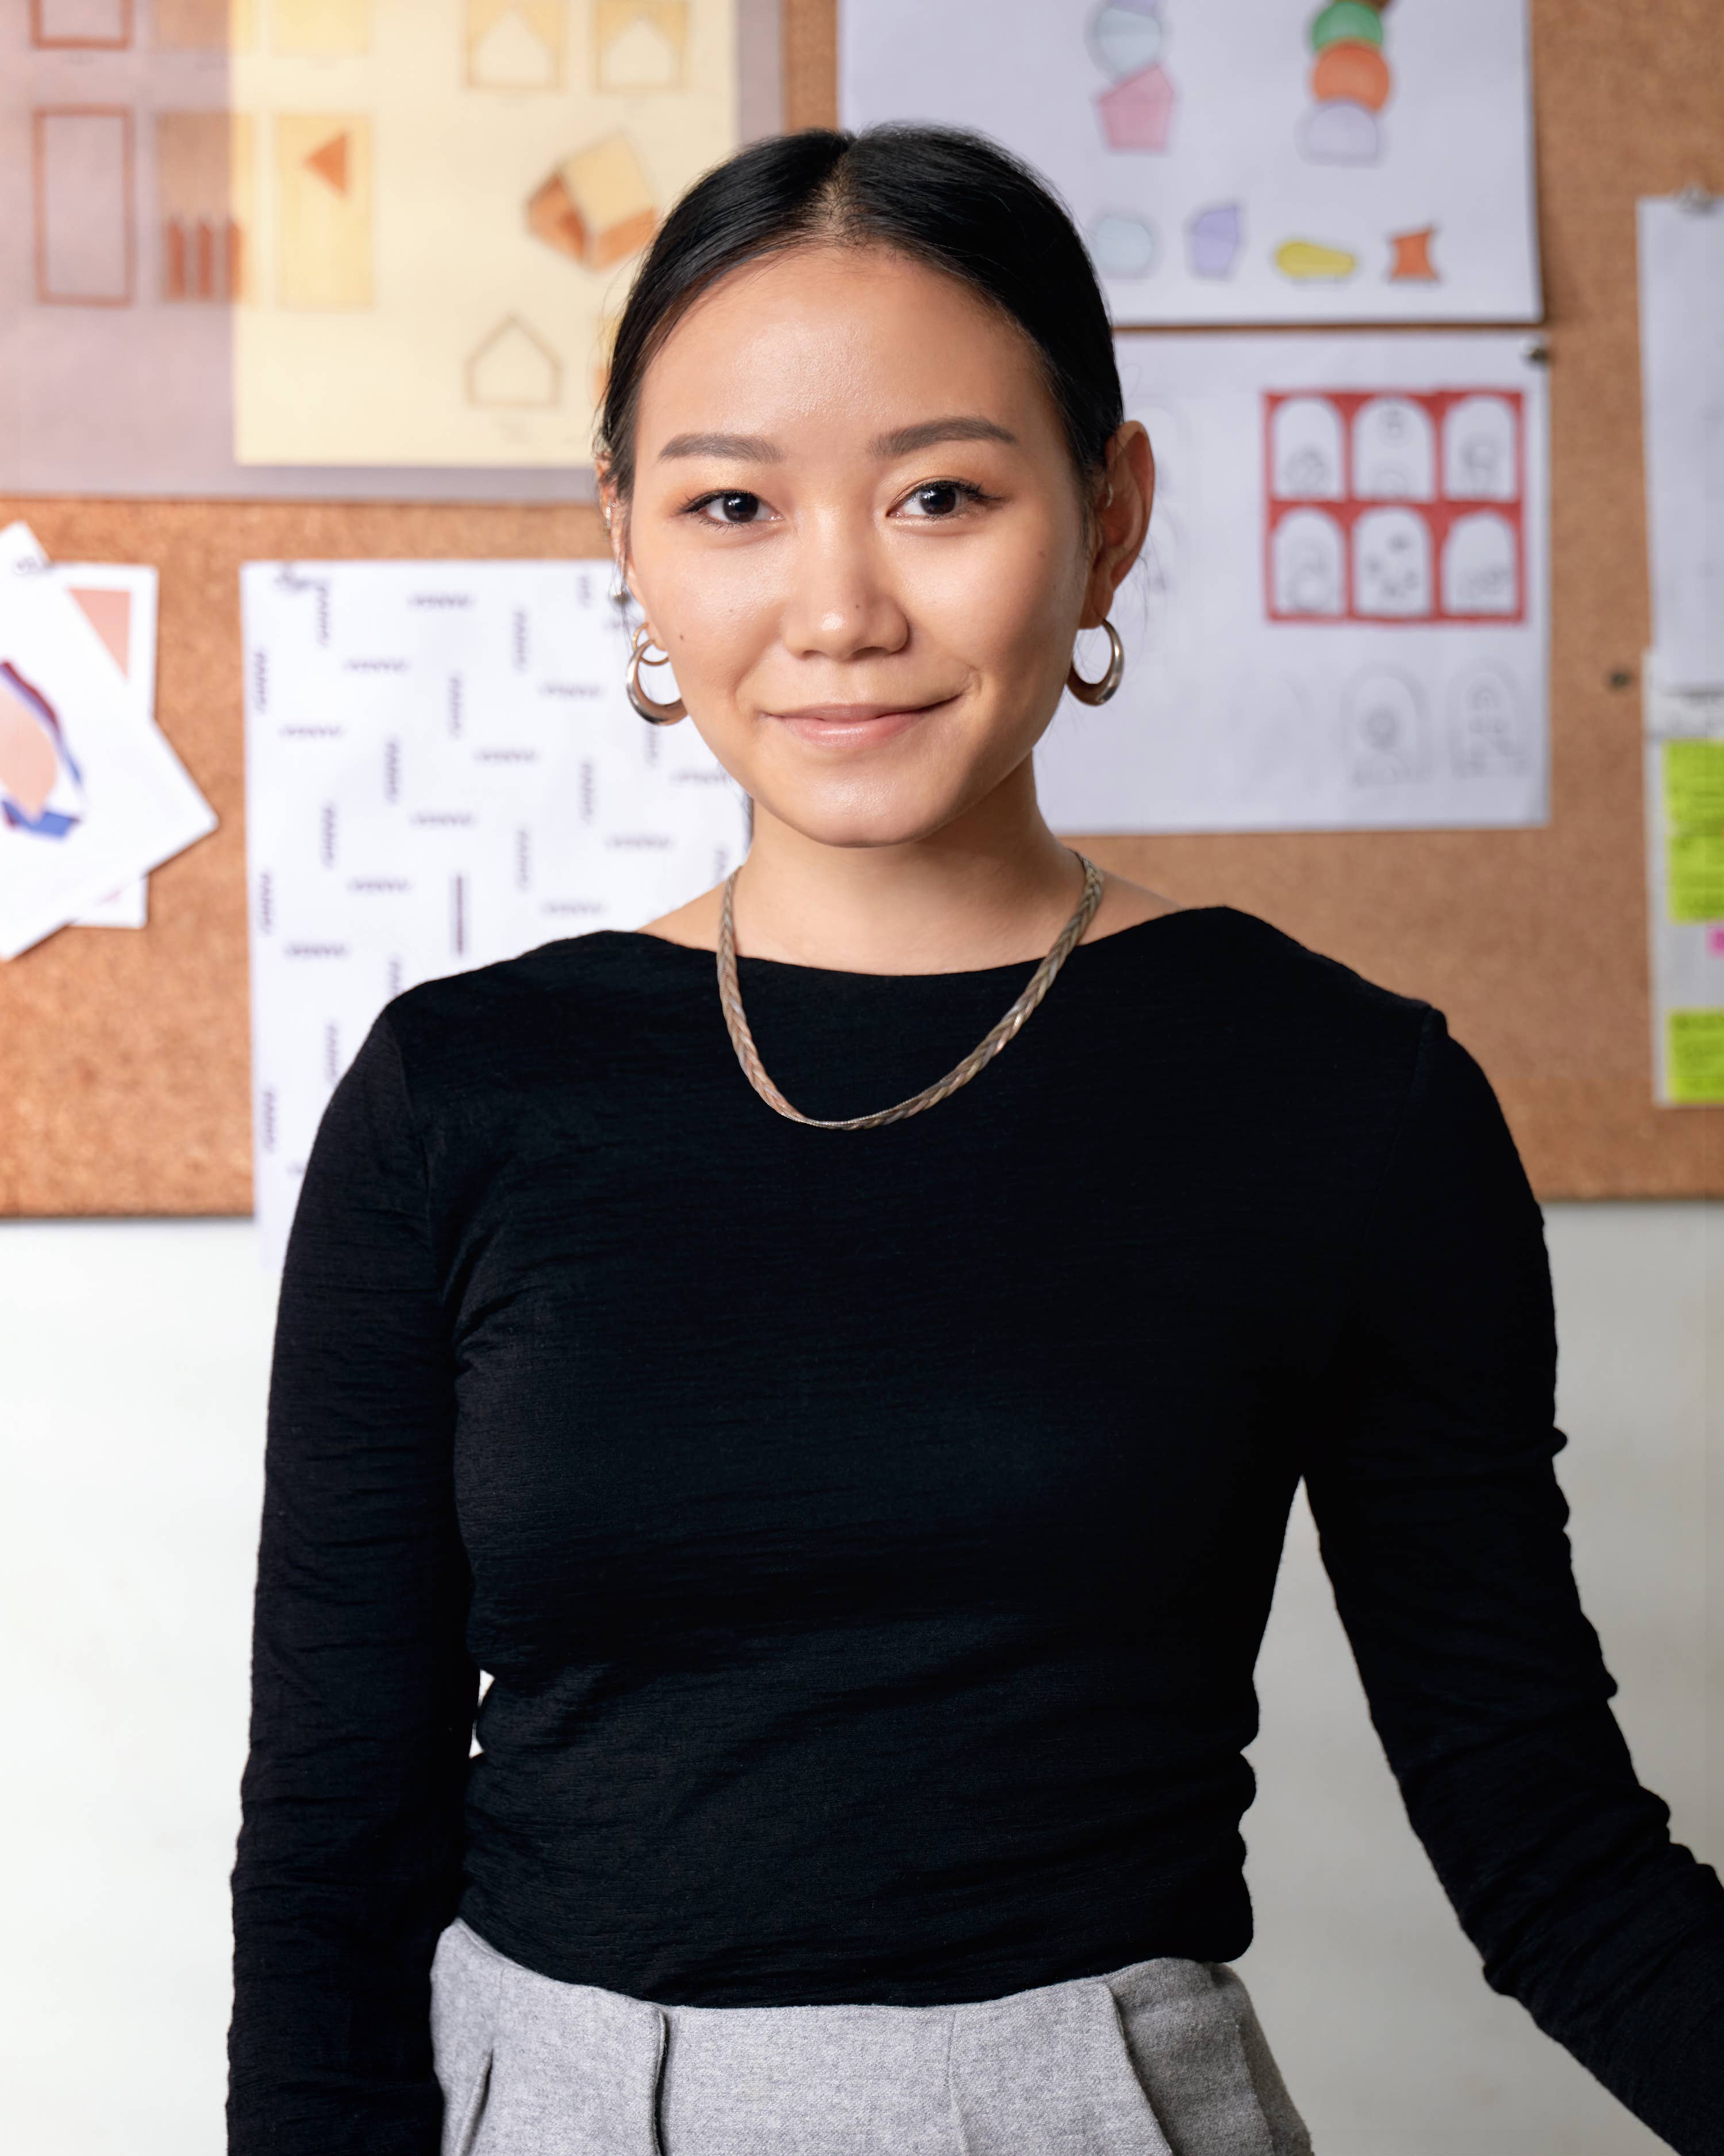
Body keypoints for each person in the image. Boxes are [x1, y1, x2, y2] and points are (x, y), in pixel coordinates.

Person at [228, 127, 1724, 2156]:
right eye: (733, 505)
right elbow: (334, 1861)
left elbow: (1551, 1851)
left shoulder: (1342, 1100)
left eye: (942, 495)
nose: (839, 609)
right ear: (626, 536)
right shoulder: (460, 1093)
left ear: (1109, 515)